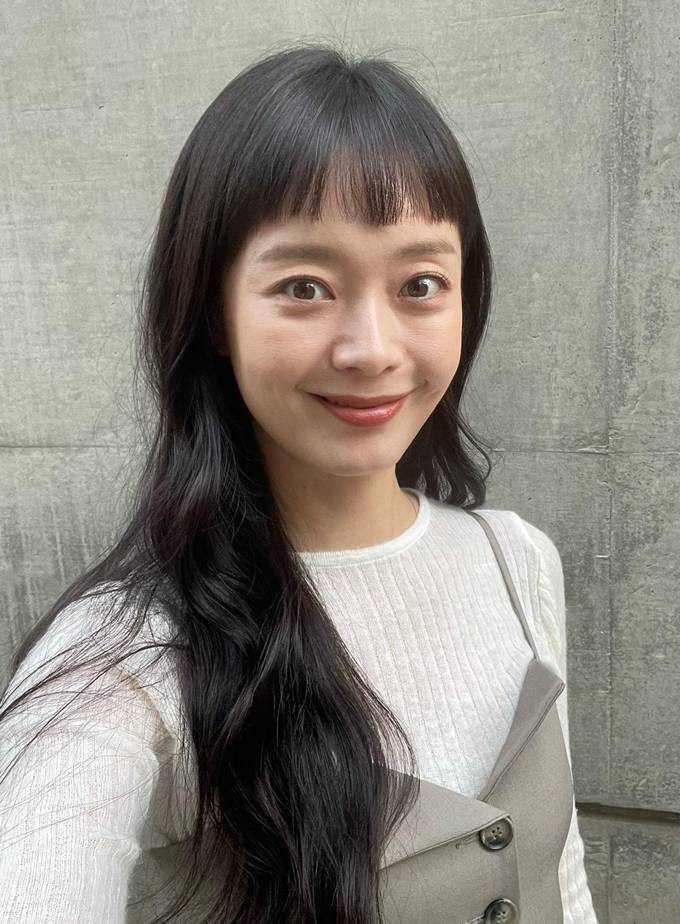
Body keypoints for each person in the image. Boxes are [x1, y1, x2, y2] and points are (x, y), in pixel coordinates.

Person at [0, 42, 599, 923]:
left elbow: (564, 878)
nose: (371, 349)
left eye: (420, 283)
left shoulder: (519, 561)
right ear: (213, 311)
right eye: (305, 286)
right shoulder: (127, 656)